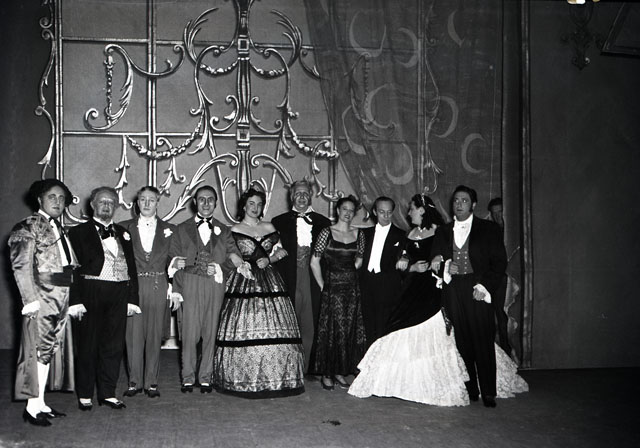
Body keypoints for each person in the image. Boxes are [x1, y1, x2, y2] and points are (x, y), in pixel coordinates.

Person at [349, 193, 471, 405]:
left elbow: (449, 257)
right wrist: (409, 265)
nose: (409, 212)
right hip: (410, 287)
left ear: (422, 210)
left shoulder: (439, 232)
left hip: (430, 290)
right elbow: (403, 260)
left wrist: (437, 263)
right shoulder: (410, 233)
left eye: (412, 208)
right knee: (398, 329)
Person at [214, 188, 305, 397]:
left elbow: (282, 251)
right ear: (244, 206)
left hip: (270, 278)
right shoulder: (234, 229)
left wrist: (269, 259)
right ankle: (242, 378)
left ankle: (279, 378)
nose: (255, 208)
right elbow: (228, 255)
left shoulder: (269, 227)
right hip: (243, 280)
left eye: (259, 204)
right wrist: (240, 263)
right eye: (251, 204)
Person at [430, 185, 508, 408]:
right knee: (461, 340)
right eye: (456, 200)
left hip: (478, 288)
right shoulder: (443, 231)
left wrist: (484, 286)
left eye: (464, 200)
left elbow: (499, 263)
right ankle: (471, 388)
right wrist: (446, 266)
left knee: (483, 339)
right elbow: (435, 260)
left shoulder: (489, 229)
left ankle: (488, 392)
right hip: (454, 289)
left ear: (473, 204)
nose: (459, 204)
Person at [9, 179, 77, 426]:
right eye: (52, 197)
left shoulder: (60, 227)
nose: (58, 202)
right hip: (42, 295)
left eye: (61, 198)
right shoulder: (27, 226)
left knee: (49, 350)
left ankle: (40, 403)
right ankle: (31, 408)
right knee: (38, 350)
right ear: (39, 200)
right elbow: (21, 266)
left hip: (61, 295)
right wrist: (30, 300)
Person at [68, 186, 140, 411]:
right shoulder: (78, 233)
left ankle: (108, 393)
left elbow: (131, 266)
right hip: (91, 291)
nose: (107, 206)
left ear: (116, 206)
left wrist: (132, 299)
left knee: (114, 346)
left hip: (119, 292)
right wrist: (75, 300)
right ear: (92, 205)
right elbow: (71, 269)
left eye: (111, 202)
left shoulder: (123, 232)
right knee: (88, 345)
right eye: (102, 202)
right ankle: (85, 393)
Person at [168, 185, 245, 394]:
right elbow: (172, 259)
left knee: (211, 332)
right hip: (190, 282)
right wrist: (176, 287)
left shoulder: (224, 230)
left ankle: (205, 377)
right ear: (195, 202)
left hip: (214, 283)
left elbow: (235, 257)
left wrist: (220, 267)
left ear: (216, 203)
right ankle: (187, 377)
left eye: (210, 199)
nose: (206, 203)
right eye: (202, 199)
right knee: (189, 333)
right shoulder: (180, 229)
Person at [119, 186, 176, 399]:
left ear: (157, 202)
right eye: (142, 199)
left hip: (158, 284)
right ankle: (134, 382)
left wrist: (174, 289)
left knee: (154, 335)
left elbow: (175, 261)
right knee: (133, 335)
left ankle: (151, 382)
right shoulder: (123, 228)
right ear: (137, 202)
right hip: (133, 286)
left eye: (151, 200)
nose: (146, 203)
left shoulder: (170, 229)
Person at [272, 179, 330, 371]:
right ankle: (288, 368)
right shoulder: (278, 222)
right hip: (288, 278)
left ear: (311, 196)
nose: (302, 197)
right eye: (298, 193)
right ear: (291, 196)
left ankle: (307, 367)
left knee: (311, 322)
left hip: (313, 278)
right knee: (288, 323)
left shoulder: (323, 223)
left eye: (305, 193)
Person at [309, 196, 366, 391]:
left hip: (351, 288)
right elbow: (314, 262)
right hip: (332, 288)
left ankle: (341, 371)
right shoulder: (327, 232)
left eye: (351, 210)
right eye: (344, 209)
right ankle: (327, 373)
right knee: (333, 330)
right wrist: (323, 285)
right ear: (338, 210)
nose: (348, 213)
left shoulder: (359, 233)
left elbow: (359, 261)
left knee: (348, 329)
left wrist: (347, 274)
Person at [360, 196, 406, 347]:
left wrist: (405, 258)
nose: (386, 216)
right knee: (367, 325)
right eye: (381, 212)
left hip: (387, 285)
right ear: (374, 212)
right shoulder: (364, 233)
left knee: (384, 327)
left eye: (389, 212)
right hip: (366, 284)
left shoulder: (401, 234)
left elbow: (407, 255)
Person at [488, 197, 512, 355]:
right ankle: (503, 353)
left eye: (501, 212)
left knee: (506, 315)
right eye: (494, 213)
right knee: (497, 315)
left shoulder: (513, 231)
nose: (498, 216)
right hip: (498, 279)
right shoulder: (490, 232)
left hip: (512, 279)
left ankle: (509, 351)